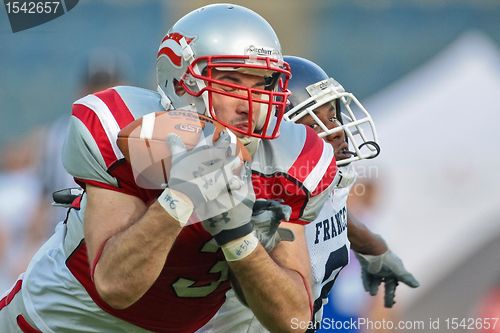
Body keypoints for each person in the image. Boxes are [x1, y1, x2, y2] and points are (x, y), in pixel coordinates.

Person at [0, 5, 337, 333]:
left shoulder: (291, 159)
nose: (251, 101)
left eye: (262, 82)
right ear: (180, 84)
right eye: (232, 81)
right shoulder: (124, 131)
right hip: (61, 319)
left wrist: (238, 238)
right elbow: (114, 286)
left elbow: (293, 321)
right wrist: (179, 199)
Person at [198, 56, 419, 333]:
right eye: (315, 125)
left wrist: (371, 245)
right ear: (281, 141)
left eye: (333, 116)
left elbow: (324, 204)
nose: (337, 131)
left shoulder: (315, 188)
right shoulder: (262, 197)